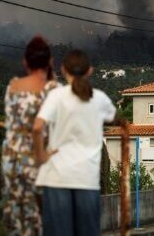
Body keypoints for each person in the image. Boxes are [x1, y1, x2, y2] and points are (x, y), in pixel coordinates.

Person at [33, 50, 116, 236]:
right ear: (90, 70)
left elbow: (37, 128)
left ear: (63, 70)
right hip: (86, 178)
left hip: (56, 178)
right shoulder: (99, 98)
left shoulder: (55, 97)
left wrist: (41, 156)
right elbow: (117, 119)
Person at [2, 36, 58, 235]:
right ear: (50, 62)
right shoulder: (53, 90)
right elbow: (43, 128)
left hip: (12, 160)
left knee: (18, 220)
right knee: (42, 220)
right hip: (37, 160)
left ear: (25, 62)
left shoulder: (12, 87)